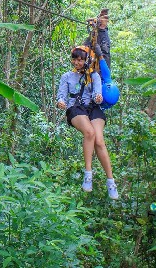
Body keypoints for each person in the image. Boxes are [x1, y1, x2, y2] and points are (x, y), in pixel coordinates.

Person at [56, 45, 119, 199]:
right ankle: (88, 174)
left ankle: (111, 181)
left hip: (92, 108)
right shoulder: (67, 76)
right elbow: (61, 95)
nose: (77, 62)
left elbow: (98, 92)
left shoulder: (94, 76)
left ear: (86, 60)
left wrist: (98, 97)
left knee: (99, 141)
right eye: (75, 59)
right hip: (75, 108)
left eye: (80, 60)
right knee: (89, 133)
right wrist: (60, 102)